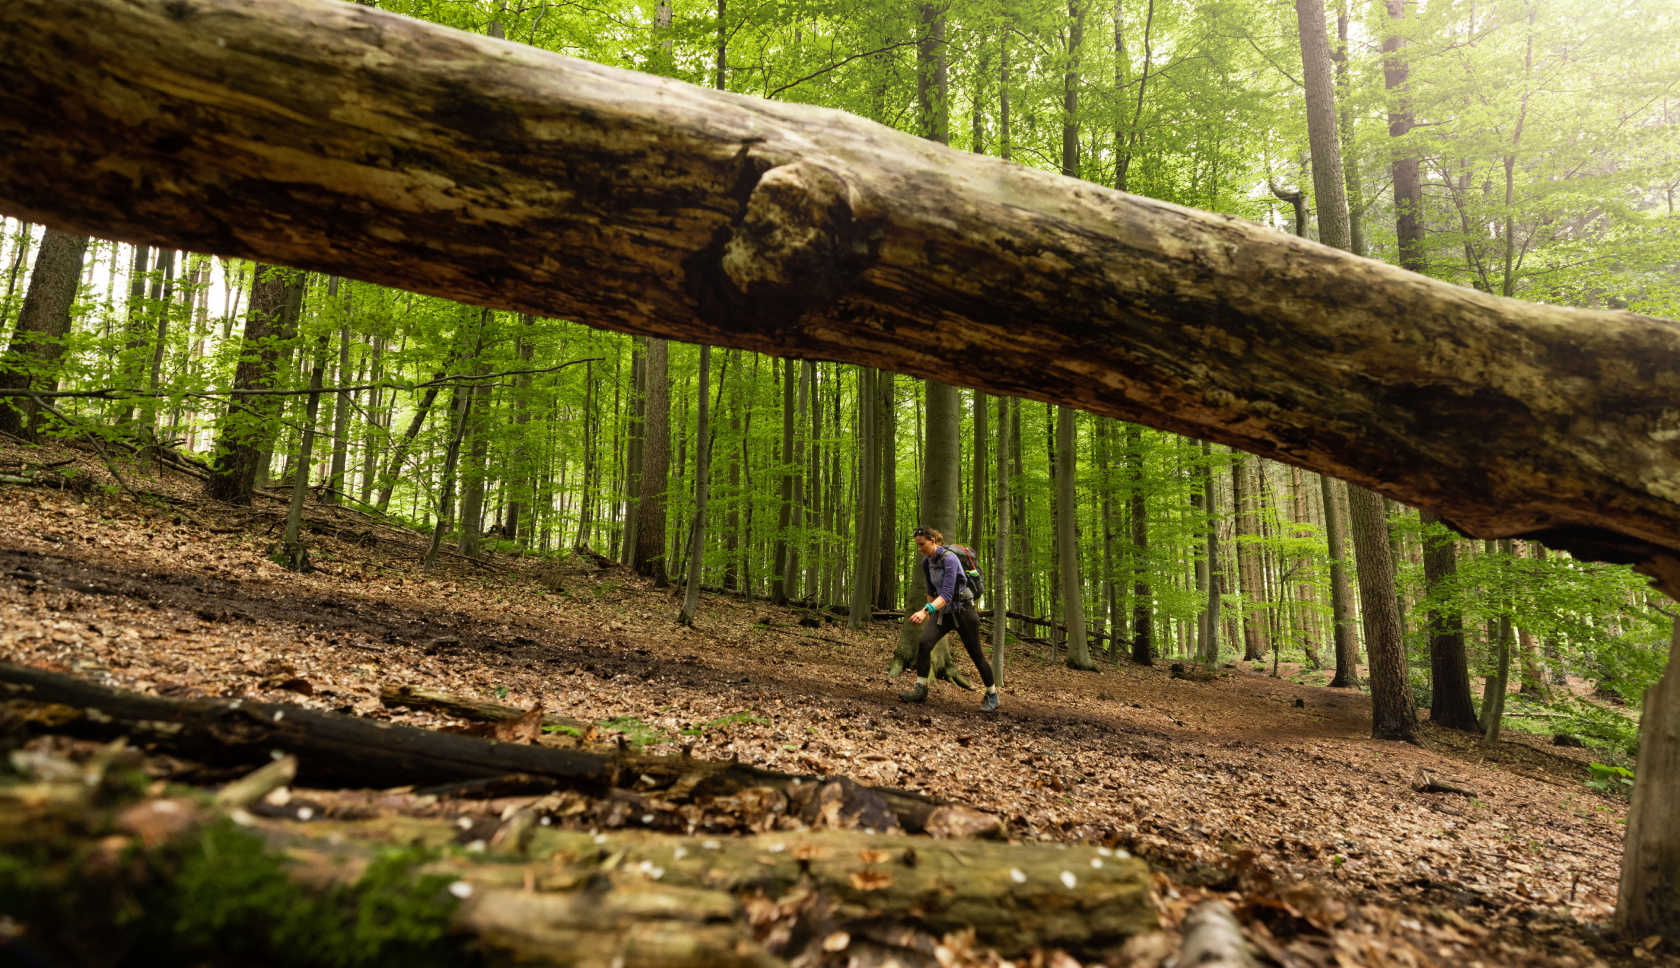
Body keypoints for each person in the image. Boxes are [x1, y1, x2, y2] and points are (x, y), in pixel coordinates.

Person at [900, 526, 1000, 710]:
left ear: (932, 540)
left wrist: (924, 611)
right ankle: (920, 690)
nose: (920, 548)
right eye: (917, 545)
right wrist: (930, 613)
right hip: (942, 613)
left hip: (963, 610)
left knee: (976, 654)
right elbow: (932, 591)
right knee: (924, 643)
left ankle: (992, 695)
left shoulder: (950, 559)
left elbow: (946, 593)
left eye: (922, 544)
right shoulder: (926, 562)